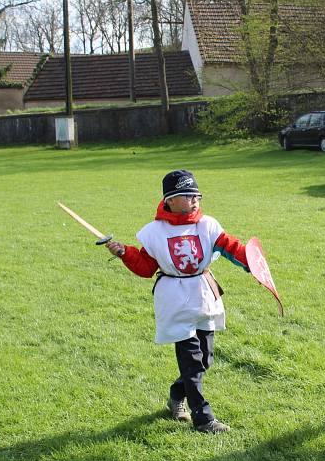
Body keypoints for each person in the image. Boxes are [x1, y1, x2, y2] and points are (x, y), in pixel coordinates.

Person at [105, 170, 251, 434]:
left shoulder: (207, 225)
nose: (193, 200)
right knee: (191, 360)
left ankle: (176, 396)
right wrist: (125, 253)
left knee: (204, 358)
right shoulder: (154, 232)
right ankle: (203, 419)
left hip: (203, 294)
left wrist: (252, 262)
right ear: (170, 200)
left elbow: (231, 247)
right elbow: (146, 266)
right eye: (186, 195)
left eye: (196, 195)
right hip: (175, 298)